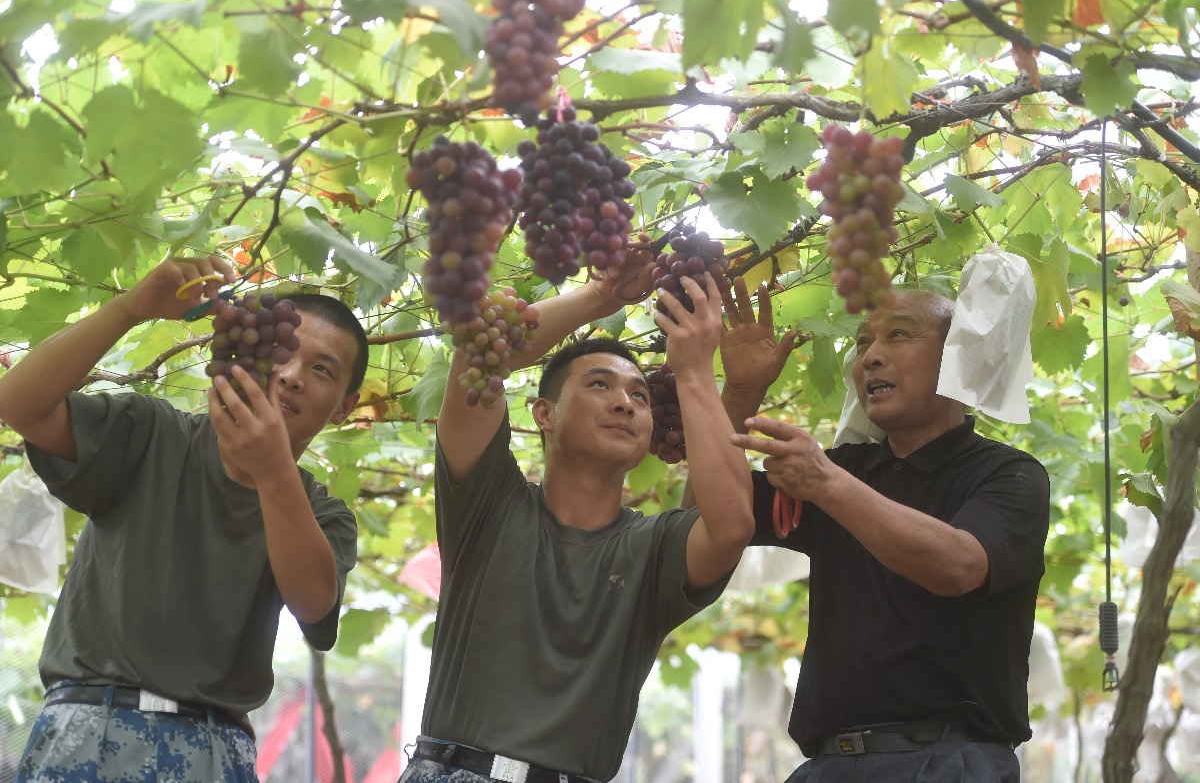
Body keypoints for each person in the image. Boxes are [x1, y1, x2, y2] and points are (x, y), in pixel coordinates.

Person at [0, 257, 367, 782]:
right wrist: (132, 308)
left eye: (322, 369)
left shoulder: (324, 515)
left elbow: (313, 601)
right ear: (251, 354)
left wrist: (273, 472)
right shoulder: (149, 433)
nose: (290, 376)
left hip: (214, 751)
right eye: (282, 353)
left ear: (345, 406)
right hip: (87, 731)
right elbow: (17, 403)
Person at [399, 269, 753, 783]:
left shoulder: (655, 548)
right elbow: (480, 355)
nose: (623, 403)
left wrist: (697, 372)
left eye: (640, 396)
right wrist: (601, 295)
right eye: (599, 384)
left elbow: (732, 525)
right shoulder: (487, 506)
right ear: (544, 413)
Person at [719, 283, 1050, 782]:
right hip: (826, 766)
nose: (871, 357)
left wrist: (828, 485)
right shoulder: (842, 469)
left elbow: (959, 565)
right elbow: (709, 512)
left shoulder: (1008, 474)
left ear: (955, 355)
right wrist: (740, 394)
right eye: (862, 343)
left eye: (898, 334)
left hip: (948, 765)